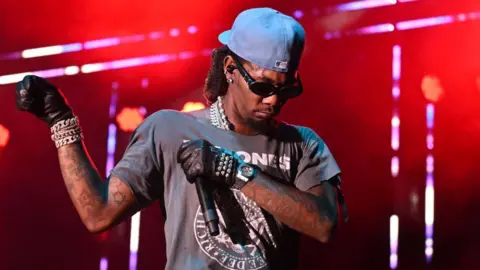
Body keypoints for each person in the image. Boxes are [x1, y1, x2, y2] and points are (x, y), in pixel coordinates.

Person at [15, 7, 347, 270]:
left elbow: (323, 225)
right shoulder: (169, 130)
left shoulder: (304, 144)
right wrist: (62, 123)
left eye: (286, 88)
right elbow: (98, 213)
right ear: (230, 69)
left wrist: (236, 172)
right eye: (262, 86)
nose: (274, 100)